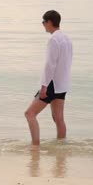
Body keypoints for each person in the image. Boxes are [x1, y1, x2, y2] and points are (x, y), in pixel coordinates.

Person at [25, 10, 73, 146]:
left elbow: (50, 65)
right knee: (58, 118)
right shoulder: (67, 38)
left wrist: (44, 86)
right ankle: (61, 148)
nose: (43, 25)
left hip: (52, 83)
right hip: (62, 83)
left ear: (49, 22)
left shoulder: (54, 39)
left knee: (29, 113)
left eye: (43, 22)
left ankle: (35, 146)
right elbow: (67, 62)